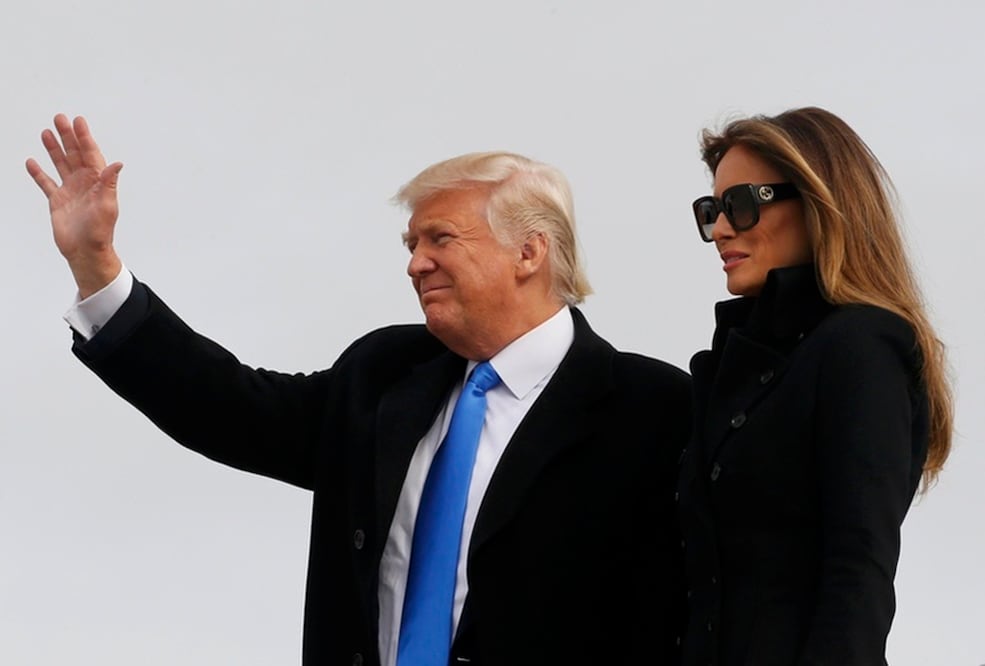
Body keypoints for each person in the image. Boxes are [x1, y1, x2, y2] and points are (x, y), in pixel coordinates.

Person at [27, 114, 692, 666]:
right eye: (411, 242)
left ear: (529, 253)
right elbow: (231, 408)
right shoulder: (384, 375)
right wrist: (96, 267)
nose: (415, 262)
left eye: (440, 239)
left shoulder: (653, 410)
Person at [677, 106, 953, 665]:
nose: (722, 229)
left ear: (819, 201)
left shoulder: (861, 345)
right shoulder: (737, 360)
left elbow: (859, 570)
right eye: (713, 209)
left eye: (742, 205)